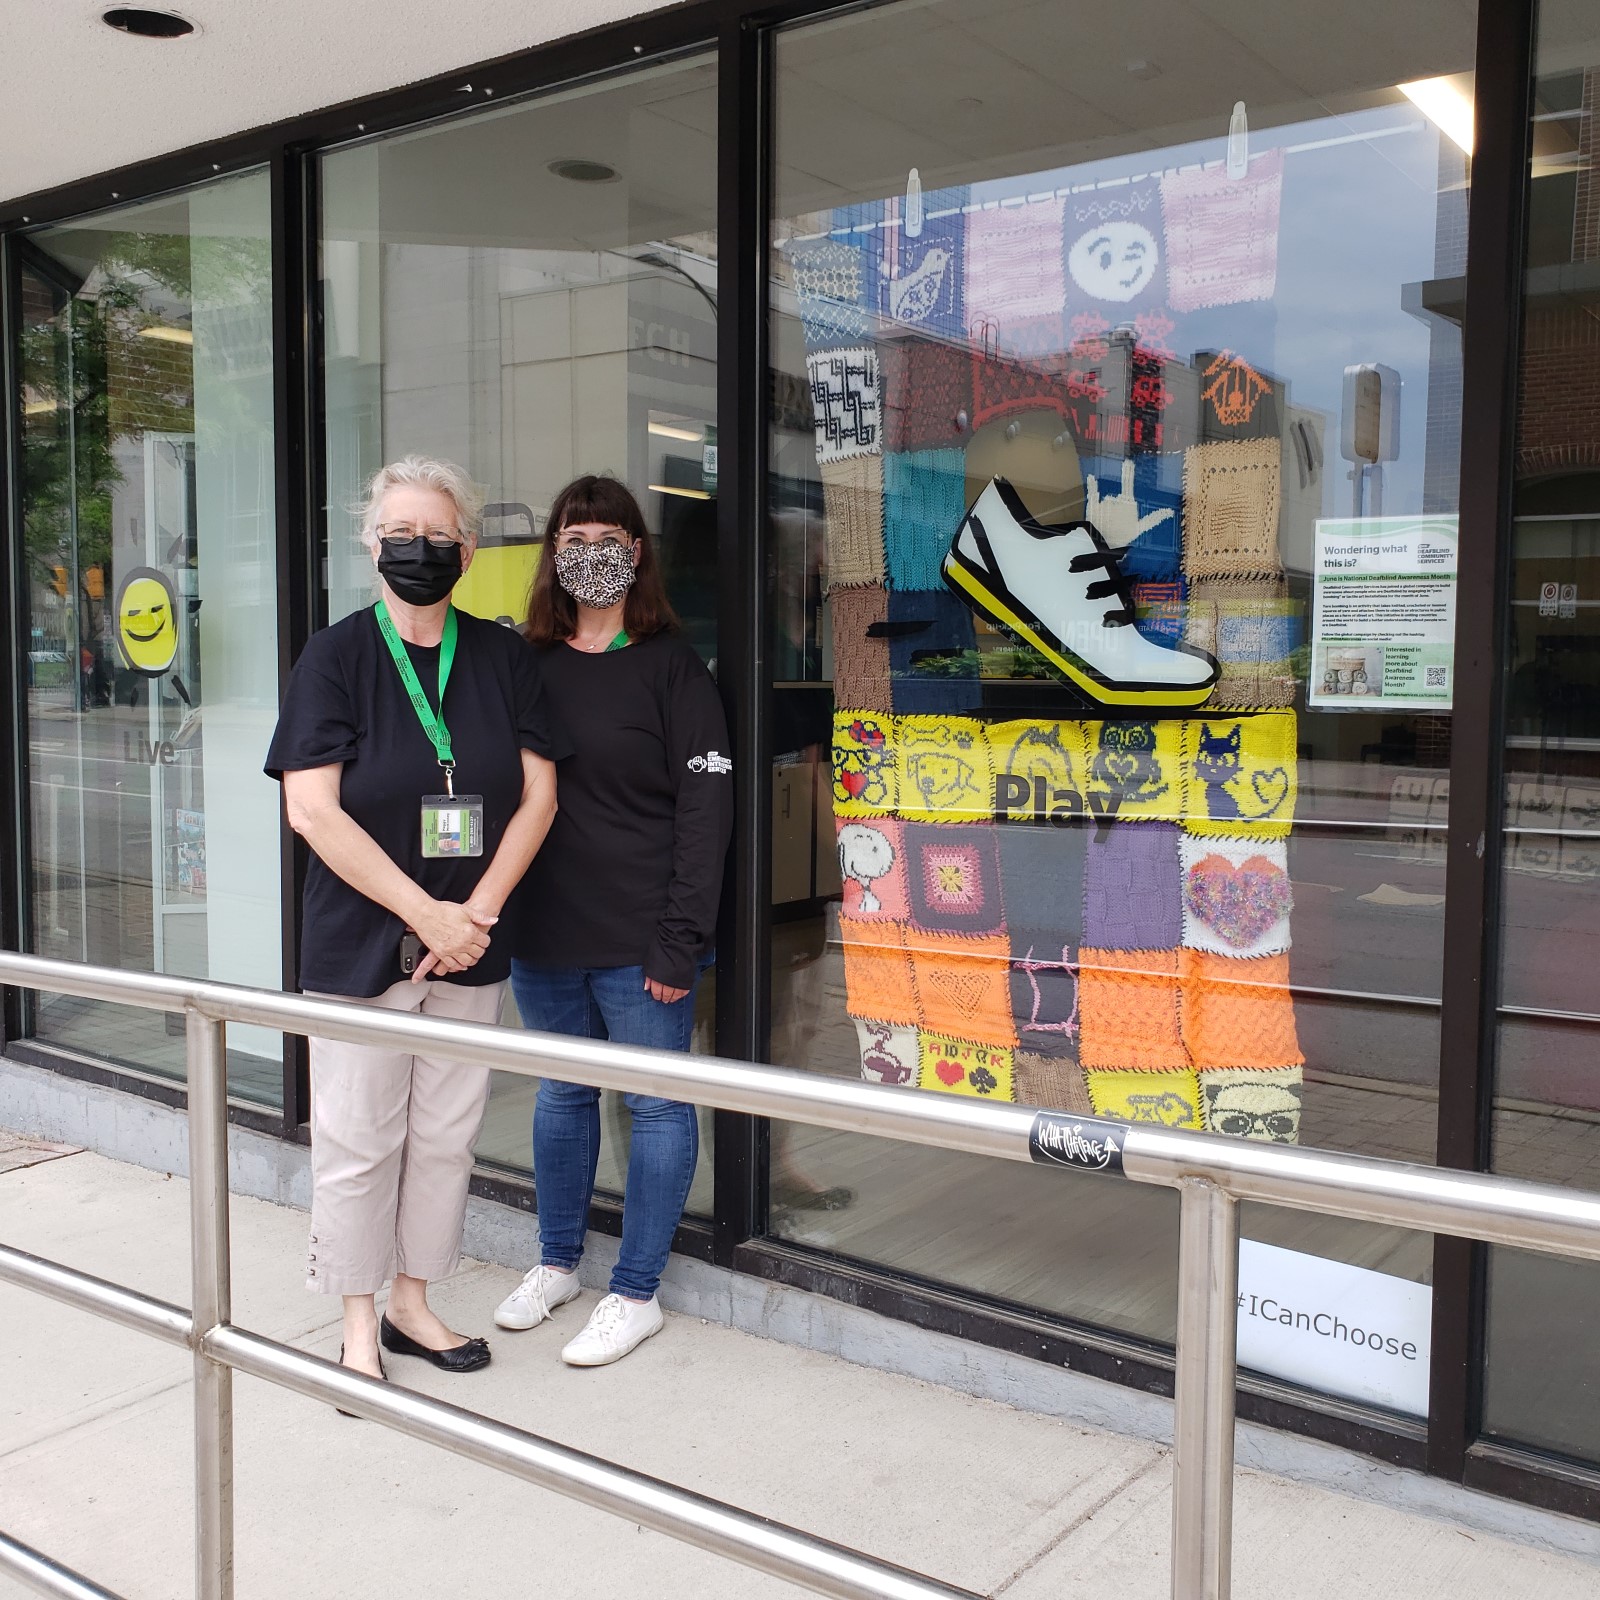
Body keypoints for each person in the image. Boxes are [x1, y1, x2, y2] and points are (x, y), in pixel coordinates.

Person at [265, 454, 563, 1392]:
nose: (419, 550)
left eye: (437, 536)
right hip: (362, 945)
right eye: (400, 534)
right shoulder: (336, 657)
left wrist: (470, 916)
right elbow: (311, 812)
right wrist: (428, 911)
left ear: (469, 551)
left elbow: (540, 797)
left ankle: (411, 1299)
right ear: (371, 545)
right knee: (359, 1140)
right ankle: (356, 1321)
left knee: (444, 1137)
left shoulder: (504, 657)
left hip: (472, 943)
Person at [493, 474, 731, 1366]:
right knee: (561, 1095)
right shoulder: (526, 663)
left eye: (608, 537)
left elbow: (707, 817)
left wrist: (681, 938)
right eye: (574, 536)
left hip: (643, 941)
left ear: (636, 554)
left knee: (658, 1104)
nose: (590, 552)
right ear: (554, 551)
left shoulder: (673, 666)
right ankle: (558, 1262)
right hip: (545, 936)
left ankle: (636, 1292)